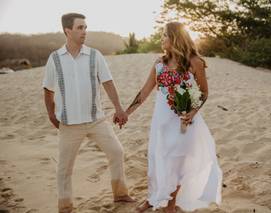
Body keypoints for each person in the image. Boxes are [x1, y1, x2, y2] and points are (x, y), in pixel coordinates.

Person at [123, 22, 222, 213]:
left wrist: (192, 112)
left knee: (177, 162)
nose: (162, 40)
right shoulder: (159, 63)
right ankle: (152, 198)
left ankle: (170, 204)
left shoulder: (195, 63)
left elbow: (203, 93)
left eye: (164, 36)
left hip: (184, 123)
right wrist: (127, 113)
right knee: (157, 159)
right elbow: (144, 92)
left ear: (175, 38)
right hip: (161, 122)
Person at [42, 13, 134, 213]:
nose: (84, 31)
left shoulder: (95, 55)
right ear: (68, 31)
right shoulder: (55, 59)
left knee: (117, 152)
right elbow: (48, 90)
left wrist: (118, 108)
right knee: (64, 168)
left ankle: (120, 194)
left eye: (85, 27)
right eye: (80, 28)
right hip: (69, 124)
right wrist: (51, 115)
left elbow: (108, 83)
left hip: (96, 120)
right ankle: (65, 206)